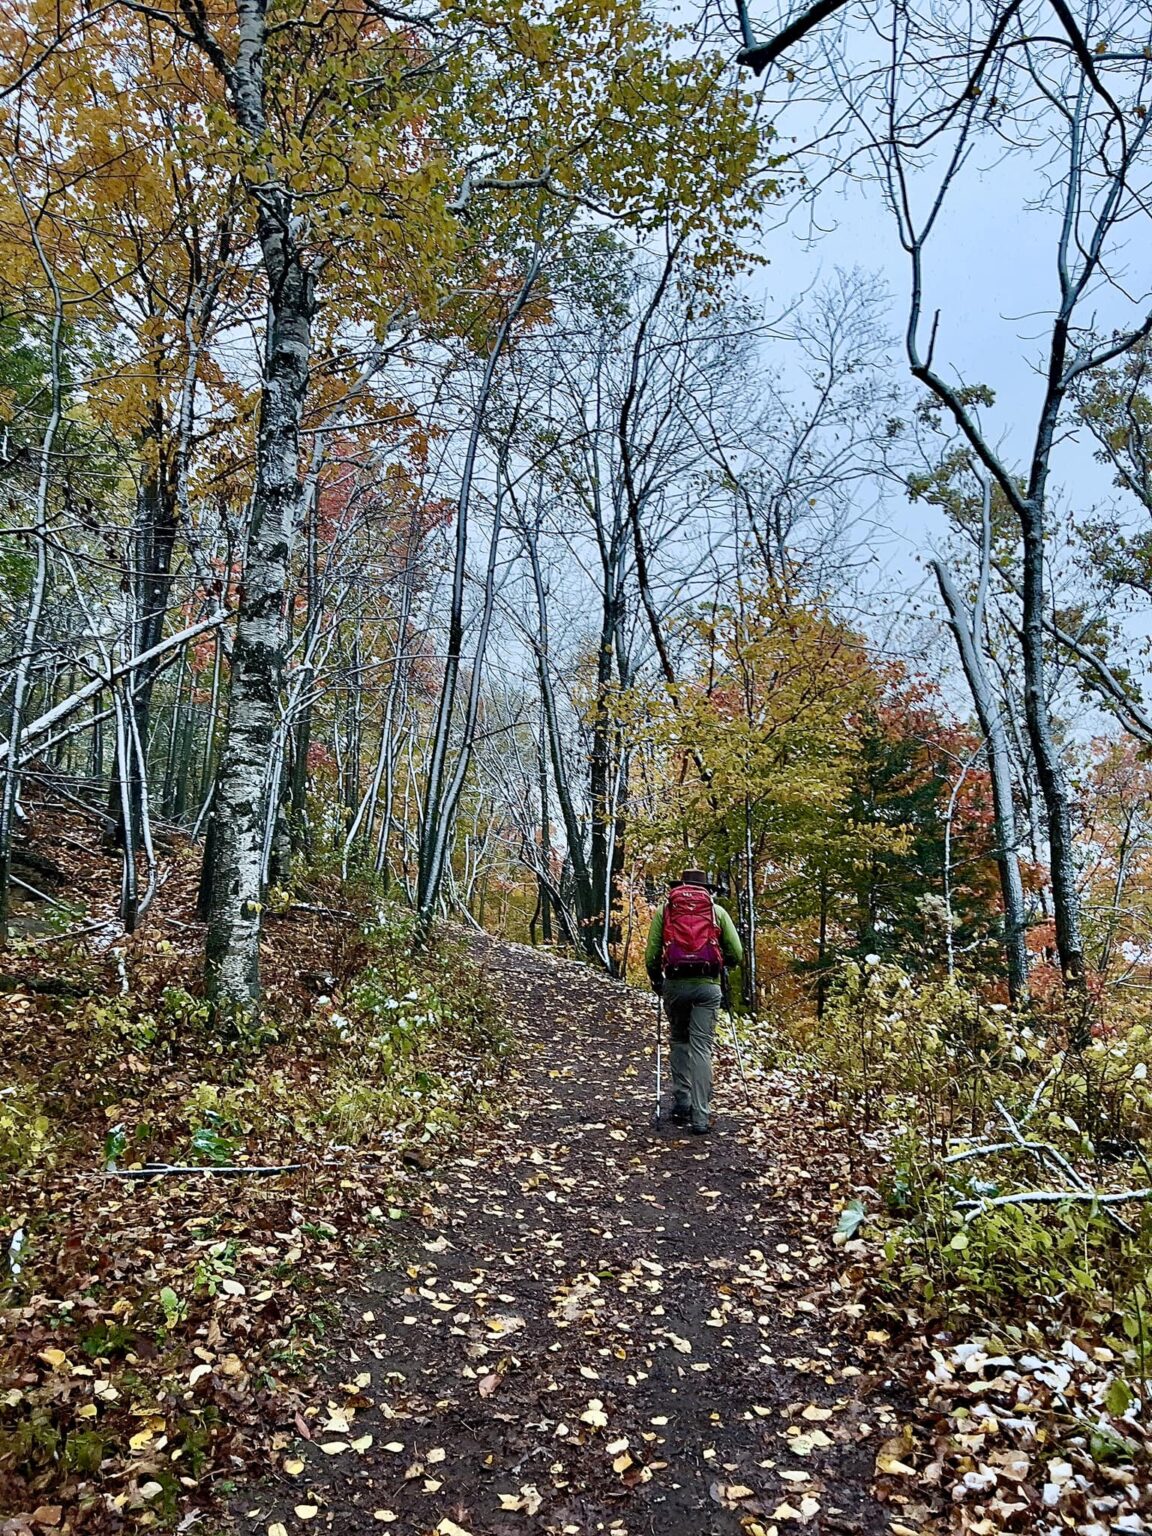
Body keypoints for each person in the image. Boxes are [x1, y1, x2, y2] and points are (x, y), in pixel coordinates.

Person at [645, 868, 743, 1135]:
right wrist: (724, 968)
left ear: (681, 885)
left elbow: (652, 953)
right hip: (707, 987)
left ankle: (682, 1102)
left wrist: (657, 980)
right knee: (702, 1048)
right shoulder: (716, 912)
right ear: (706, 889)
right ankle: (700, 1117)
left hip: (675, 985)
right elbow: (737, 952)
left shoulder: (665, 911)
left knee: (679, 1040)